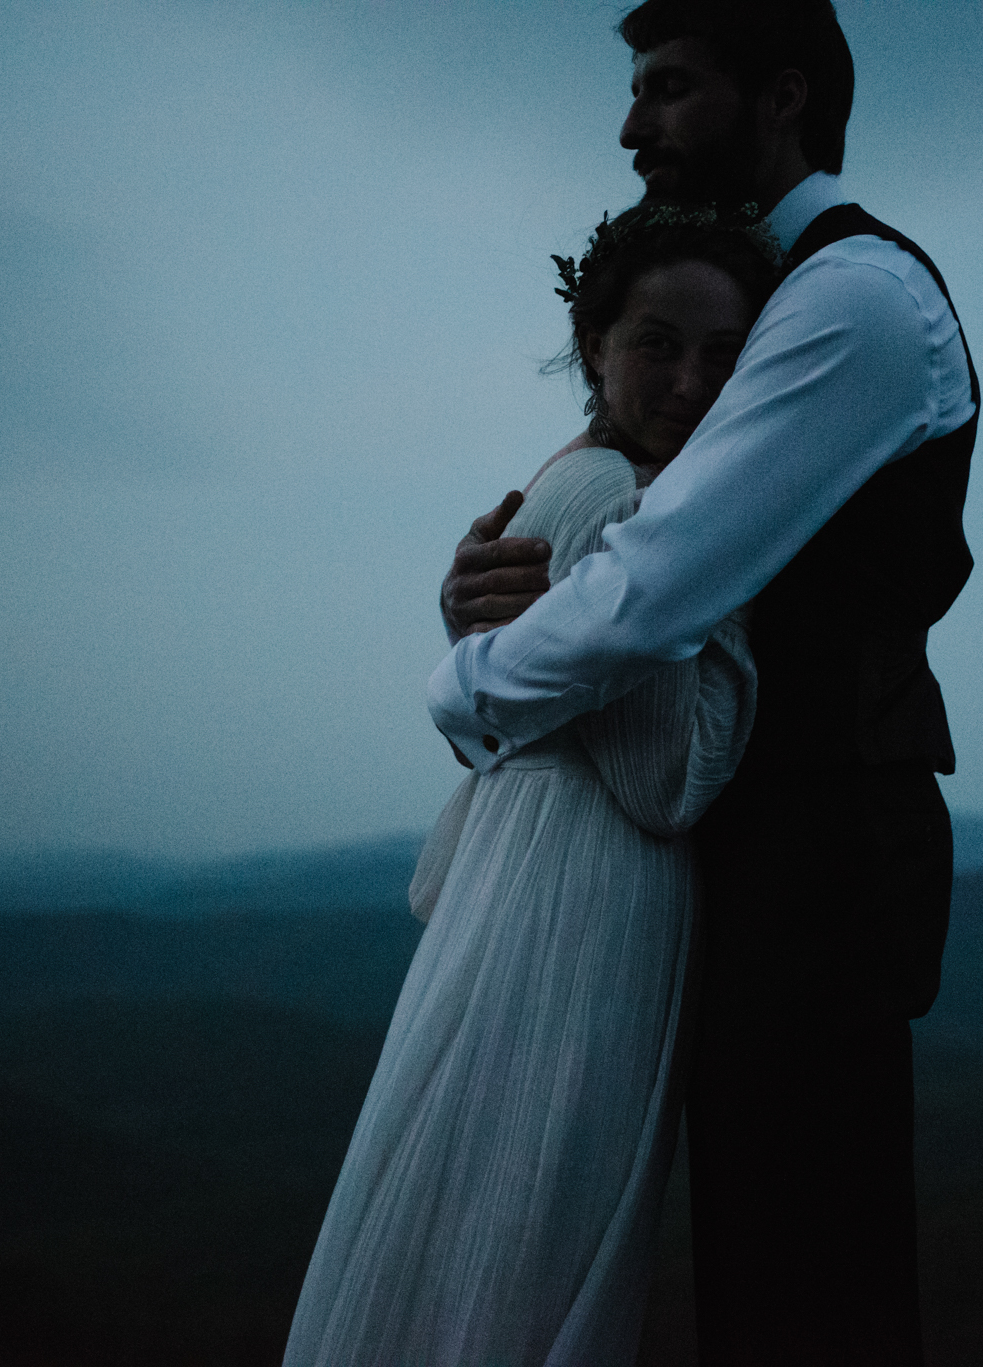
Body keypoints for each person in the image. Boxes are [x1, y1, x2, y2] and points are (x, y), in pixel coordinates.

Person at [433, 3, 978, 1363]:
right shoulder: (763, 306)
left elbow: (657, 579)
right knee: (748, 1274)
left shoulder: (855, 295)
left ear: (781, 95)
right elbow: (608, 531)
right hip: (735, 847)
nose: (634, 126)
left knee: (807, 1287)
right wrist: (493, 582)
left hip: (820, 860)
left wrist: (471, 685)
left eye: (670, 88)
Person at [281, 209, 779, 1367]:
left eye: (723, 357)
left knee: (486, 1217)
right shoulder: (613, 498)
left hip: (548, 871)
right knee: (516, 1227)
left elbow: (512, 707)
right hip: (575, 899)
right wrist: (733, 606)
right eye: (657, 344)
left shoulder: (602, 486)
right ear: (593, 344)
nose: (691, 383)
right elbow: (668, 773)